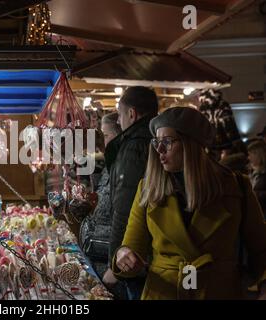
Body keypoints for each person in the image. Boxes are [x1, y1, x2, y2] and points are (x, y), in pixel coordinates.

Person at [113, 107, 266, 300]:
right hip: (163, 292)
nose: (159, 149)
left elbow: (261, 248)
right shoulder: (148, 188)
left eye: (167, 142)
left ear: (192, 144)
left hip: (218, 291)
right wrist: (124, 256)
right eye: (157, 142)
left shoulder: (236, 187)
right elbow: (131, 245)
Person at [103, 87, 158, 300]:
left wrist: (114, 262)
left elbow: (125, 207)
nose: (119, 121)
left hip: (135, 256)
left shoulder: (133, 147)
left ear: (132, 114)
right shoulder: (158, 140)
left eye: (120, 115)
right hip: (156, 251)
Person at [79, 112, 125, 297]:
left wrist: (115, 268)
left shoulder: (126, 167)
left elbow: (124, 219)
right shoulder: (110, 165)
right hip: (100, 259)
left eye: (105, 136)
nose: (102, 142)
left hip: (113, 265)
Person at [248, 140, 266, 218]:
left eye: (250, 154)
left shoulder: (263, 173)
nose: (248, 158)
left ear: (258, 155)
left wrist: (254, 194)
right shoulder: (252, 171)